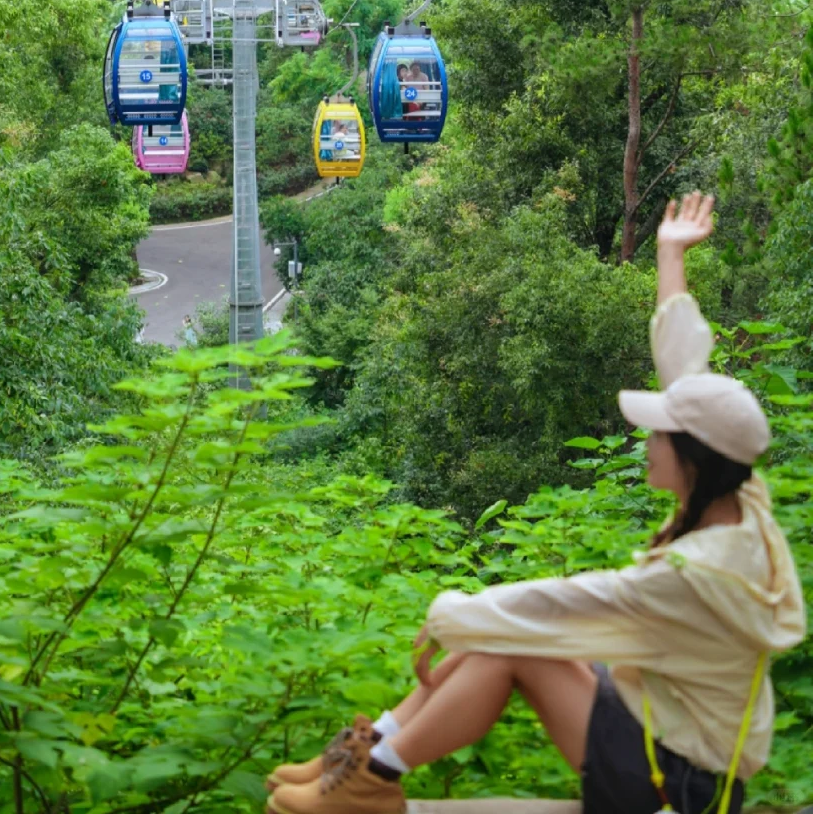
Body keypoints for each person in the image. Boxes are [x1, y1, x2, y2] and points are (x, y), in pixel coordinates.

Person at [264, 192, 805, 814]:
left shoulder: (700, 572)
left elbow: (568, 605)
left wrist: (450, 613)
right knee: (497, 630)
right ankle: (364, 760)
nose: (648, 439)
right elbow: (687, 376)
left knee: (508, 636)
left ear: (694, 458)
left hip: (672, 785)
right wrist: (669, 253)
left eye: (660, 433)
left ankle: (370, 780)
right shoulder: (739, 494)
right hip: (665, 742)